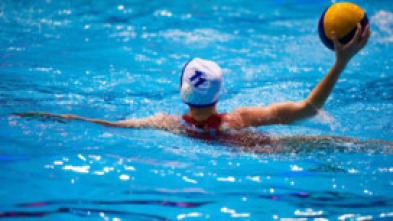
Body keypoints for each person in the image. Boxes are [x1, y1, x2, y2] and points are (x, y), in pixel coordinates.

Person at [19, 24, 379, 153]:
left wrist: (63, 116)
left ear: (182, 91)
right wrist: (340, 62)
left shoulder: (167, 124)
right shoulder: (240, 119)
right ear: (219, 93)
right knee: (351, 146)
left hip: (244, 155)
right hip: (266, 149)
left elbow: (112, 126)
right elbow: (307, 110)